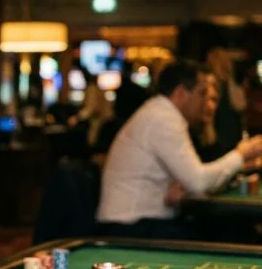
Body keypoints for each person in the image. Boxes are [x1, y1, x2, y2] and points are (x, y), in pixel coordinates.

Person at [96, 61, 262, 240]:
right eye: (201, 93)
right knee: (232, 234)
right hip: (131, 228)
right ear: (181, 93)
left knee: (231, 230)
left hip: (140, 223)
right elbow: (199, 182)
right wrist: (240, 155)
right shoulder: (163, 119)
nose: (205, 101)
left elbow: (190, 182)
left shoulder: (159, 113)